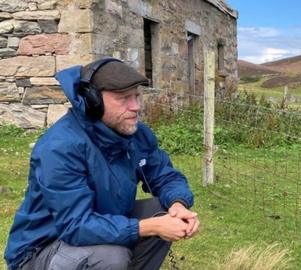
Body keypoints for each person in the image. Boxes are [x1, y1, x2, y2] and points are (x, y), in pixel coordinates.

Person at [4, 57, 200, 270]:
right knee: (111, 257)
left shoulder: (135, 134)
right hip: (39, 251)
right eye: (124, 98)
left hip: (91, 232)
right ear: (93, 101)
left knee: (161, 210)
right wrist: (148, 227)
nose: (135, 107)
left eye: (137, 96)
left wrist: (178, 205)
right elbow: (75, 225)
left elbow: (164, 175)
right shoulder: (60, 147)